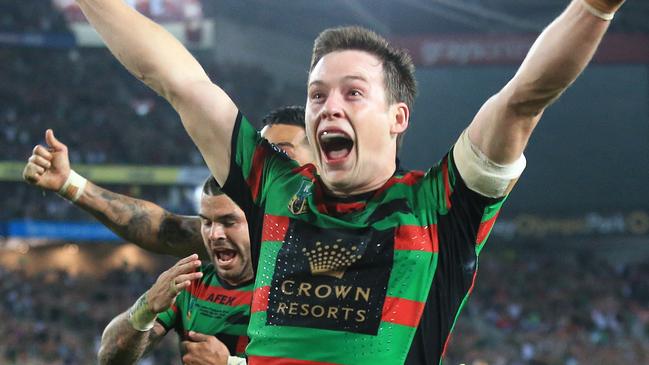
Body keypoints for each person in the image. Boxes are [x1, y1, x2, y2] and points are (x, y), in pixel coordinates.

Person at [71, 0, 628, 364]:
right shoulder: (277, 191)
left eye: (353, 93)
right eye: (317, 94)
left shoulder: (440, 206)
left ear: (398, 117)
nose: (328, 107)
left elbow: (522, 99)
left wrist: (595, 7)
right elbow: (178, 80)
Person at [21, 105, 310, 261]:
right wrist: (68, 183)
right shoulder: (250, 231)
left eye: (281, 154)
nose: (265, 169)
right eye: (261, 158)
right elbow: (165, 230)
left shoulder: (351, 232)